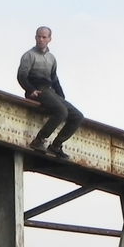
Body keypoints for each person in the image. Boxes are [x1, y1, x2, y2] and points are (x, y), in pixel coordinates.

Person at [17, 26, 84, 158]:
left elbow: (54, 80)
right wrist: (30, 90)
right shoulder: (29, 55)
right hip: (38, 90)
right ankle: (39, 140)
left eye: (44, 37)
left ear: (49, 39)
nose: (41, 39)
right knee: (61, 112)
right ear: (35, 37)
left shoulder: (51, 58)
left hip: (50, 91)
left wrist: (61, 97)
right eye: (39, 37)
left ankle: (56, 145)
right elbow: (21, 75)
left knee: (77, 116)